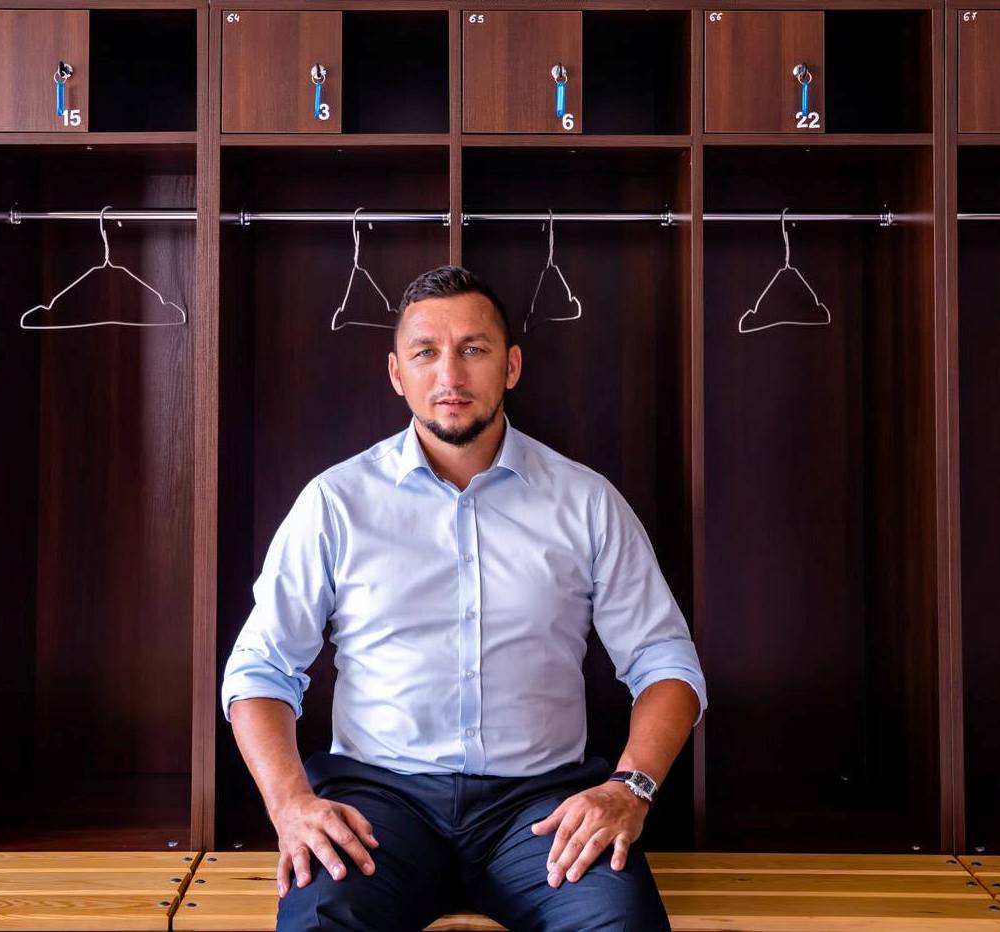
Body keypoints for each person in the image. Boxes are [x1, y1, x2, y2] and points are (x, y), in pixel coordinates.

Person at [221, 266, 707, 931]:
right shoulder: (335, 502)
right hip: (377, 807)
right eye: (426, 352)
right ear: (397, 373)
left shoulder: (586, 502)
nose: (449, 374)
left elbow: (666, 664)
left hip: (541, 811)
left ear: (511, 365)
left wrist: (631, 789)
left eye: (473, 349)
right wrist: (289, 805)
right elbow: (260, 670)